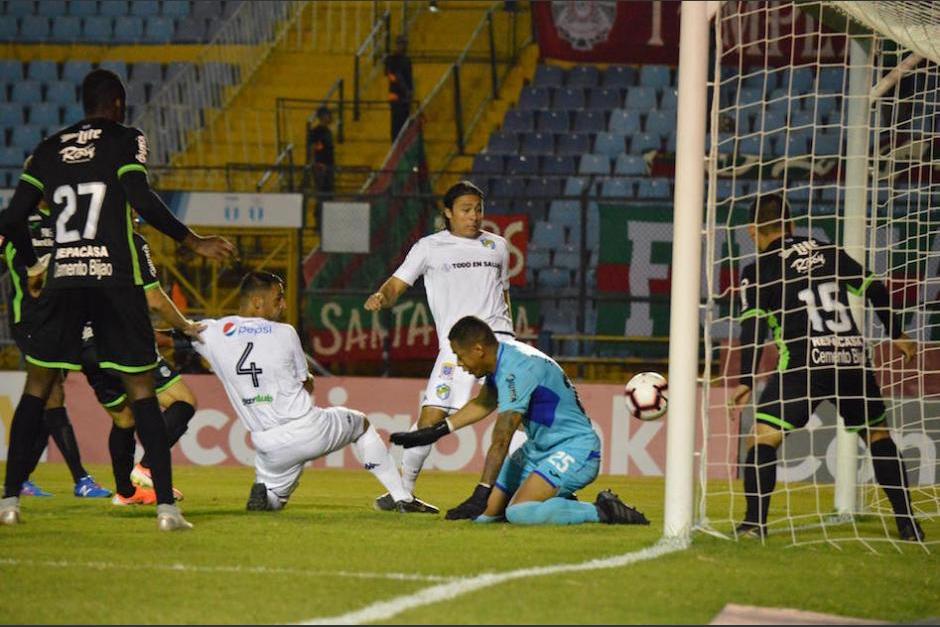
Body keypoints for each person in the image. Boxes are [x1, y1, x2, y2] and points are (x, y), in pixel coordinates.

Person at [0, 69, 236, 531]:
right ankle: (166, 508)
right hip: (114, 278)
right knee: (143, 392)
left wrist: (33, 267)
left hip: (64, 281)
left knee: (37, 390)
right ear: (119, 105)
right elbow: (138, 195)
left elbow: (11, 219)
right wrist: (192, 241)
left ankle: (9, 502)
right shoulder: (126, 139)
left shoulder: (49, 148)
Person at [729, 193, 923, 541]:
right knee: (877, 436)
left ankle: (753, 524)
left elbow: (754, 327)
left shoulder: (757, 271)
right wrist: (897, 333)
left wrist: (745, 379)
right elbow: (874, 288)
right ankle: (908, 524)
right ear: (791, 225)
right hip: (851, 357)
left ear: (752, 230)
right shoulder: (826, 251)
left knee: (763, 437)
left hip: (805, 362)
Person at [192, 271, 436, 514]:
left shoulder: (214, 332)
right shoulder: (284, 332)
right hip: (307, 429)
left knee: (274, 496)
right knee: (360, 424)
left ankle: (265, 497)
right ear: (258, 302)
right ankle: (402, 496)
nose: (284, 305)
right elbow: (305, 383)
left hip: (267, 445)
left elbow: (177, 329)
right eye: (278, 298)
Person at [390, 316, 649, 526]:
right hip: (539, 449)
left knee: (520, 513)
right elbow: (483, 403)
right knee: (484, 517)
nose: (460, 364)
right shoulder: (503, 358)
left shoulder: (517, 371)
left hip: (575, 449)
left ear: (478, 350)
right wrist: (434, 433)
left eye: (460, 355)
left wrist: (482, 490)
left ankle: (602, 510)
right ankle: (557, 498)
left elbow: (502, 438)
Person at [364, 180, 522, 517]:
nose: (474, 216)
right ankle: (403, 494)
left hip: (500, 343)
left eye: (478, 209)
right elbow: (397, 283)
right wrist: (382, 297)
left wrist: (513, 336)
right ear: (448, 213)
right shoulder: (429, 247)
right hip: (458, 350)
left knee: (521, 415)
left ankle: (522, 493)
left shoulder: (498, 246)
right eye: (466, 210)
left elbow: (503, 293)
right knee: (431, 416)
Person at [79, 228, 202, 505]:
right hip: (122, 340)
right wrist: (185, 326)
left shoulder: (75, 243)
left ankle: (125, 492)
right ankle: (146, 467)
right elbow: (154, 298)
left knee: (124, 418)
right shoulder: (130, 240)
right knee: (183, 401)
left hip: (85, 345)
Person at [1, 197, 112, 499]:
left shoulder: (62, 223)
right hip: (31, 318)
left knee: (48, 401)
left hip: (64, 319)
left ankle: (21, 477)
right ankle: (81, 479)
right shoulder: (13, 220)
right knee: (52, 395)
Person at [385, 35, 414, 141]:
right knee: (396, 125)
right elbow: (393, 76)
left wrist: (409, 92)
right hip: (396, 97)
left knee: (404, 125)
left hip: (405, 98)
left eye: (404, 44)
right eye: (400, 44)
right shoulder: (391, 60)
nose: (403, 47)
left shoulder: (407, 60)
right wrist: (405, 90)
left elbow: (409, 78)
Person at [306, 106, 335, 197]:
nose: (330, 117)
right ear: (322, 117)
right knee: (321, 192)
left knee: (328, 191)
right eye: (328, 115)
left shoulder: (328, 131)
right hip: (320, 165)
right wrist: (315, 163)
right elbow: (312, 148)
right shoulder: (316, 131)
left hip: (329, 165)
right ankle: (319, 210)